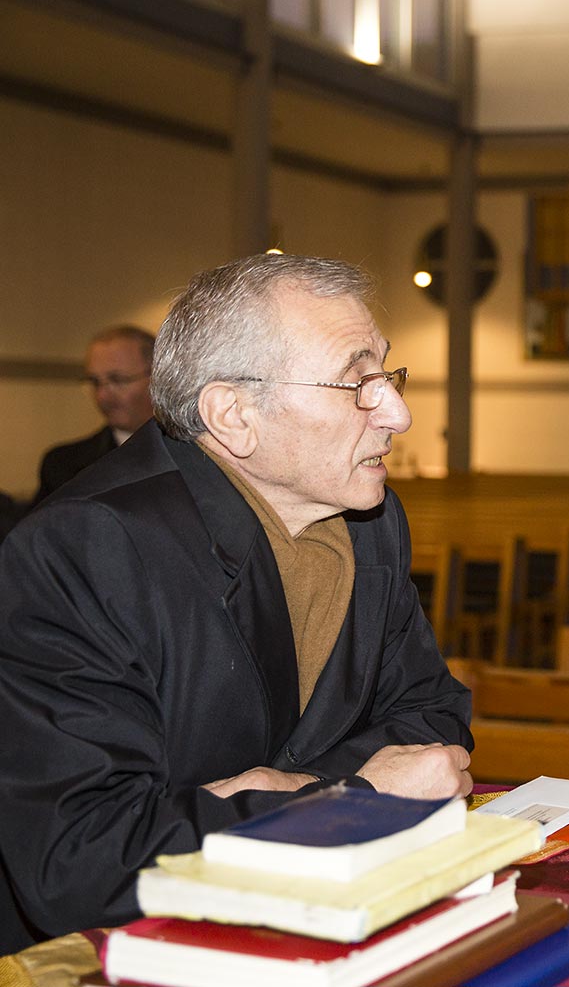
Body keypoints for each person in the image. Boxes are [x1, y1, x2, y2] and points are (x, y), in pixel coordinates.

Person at [0, 255, 473, 955]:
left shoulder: (369, 521)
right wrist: (342, 798)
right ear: (234, 414)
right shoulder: (87, 548)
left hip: (319, 921)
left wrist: (280, 788)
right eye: (358, 383)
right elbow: (80, 859)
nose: (398, 414)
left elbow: (432, 719)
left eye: (387, 375)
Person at [34, 325, 156, 504]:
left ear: (157, 377)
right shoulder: (63, 466)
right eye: (94, 381)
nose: (102, 396)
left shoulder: (197, 453)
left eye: (117, 380)